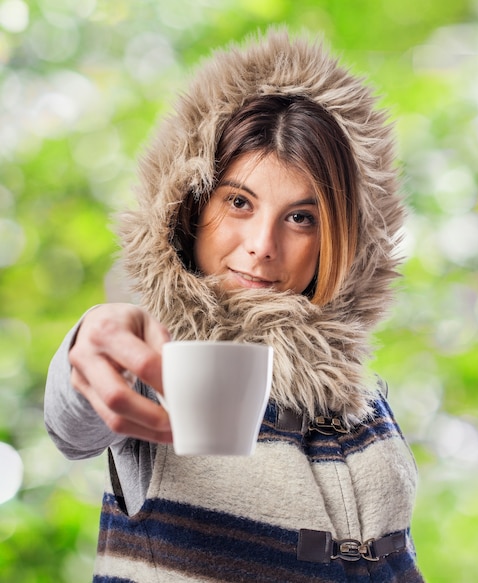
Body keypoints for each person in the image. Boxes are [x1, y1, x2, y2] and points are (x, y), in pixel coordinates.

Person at [44, 29, 426, 582]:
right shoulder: (165, 360)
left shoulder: (355, 399)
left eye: (301, 217)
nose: (263, 244)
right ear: (191, 207)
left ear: (339, 238)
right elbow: (73, 422)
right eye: (239, 202)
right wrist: (89, 341)